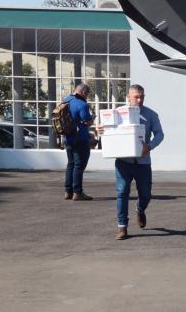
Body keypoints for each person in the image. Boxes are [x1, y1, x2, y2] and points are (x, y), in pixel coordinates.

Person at [101, 84, 164, 240]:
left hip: (143, 163)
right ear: (128, 97)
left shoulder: (151, 115)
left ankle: (140, 209)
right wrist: (101, 130)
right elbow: (106, 129)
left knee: (146, 195)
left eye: (142, 96)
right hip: (123, 162)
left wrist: (149, 146)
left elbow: (159, 134)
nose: (139, 99)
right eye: (136, 97)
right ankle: (122, 227)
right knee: (122, 192)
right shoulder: (117, 113)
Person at [63, 83, 95, 201]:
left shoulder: (66, 100)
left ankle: (68, 191)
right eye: (87, 94)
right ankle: (77, 192)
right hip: (80, 139)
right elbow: (87, 122)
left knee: (70, 164)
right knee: (79, 166)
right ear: (83, 92)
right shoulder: (82, 104)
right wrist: (92, 118)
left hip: (67, 137)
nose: (87, 97)